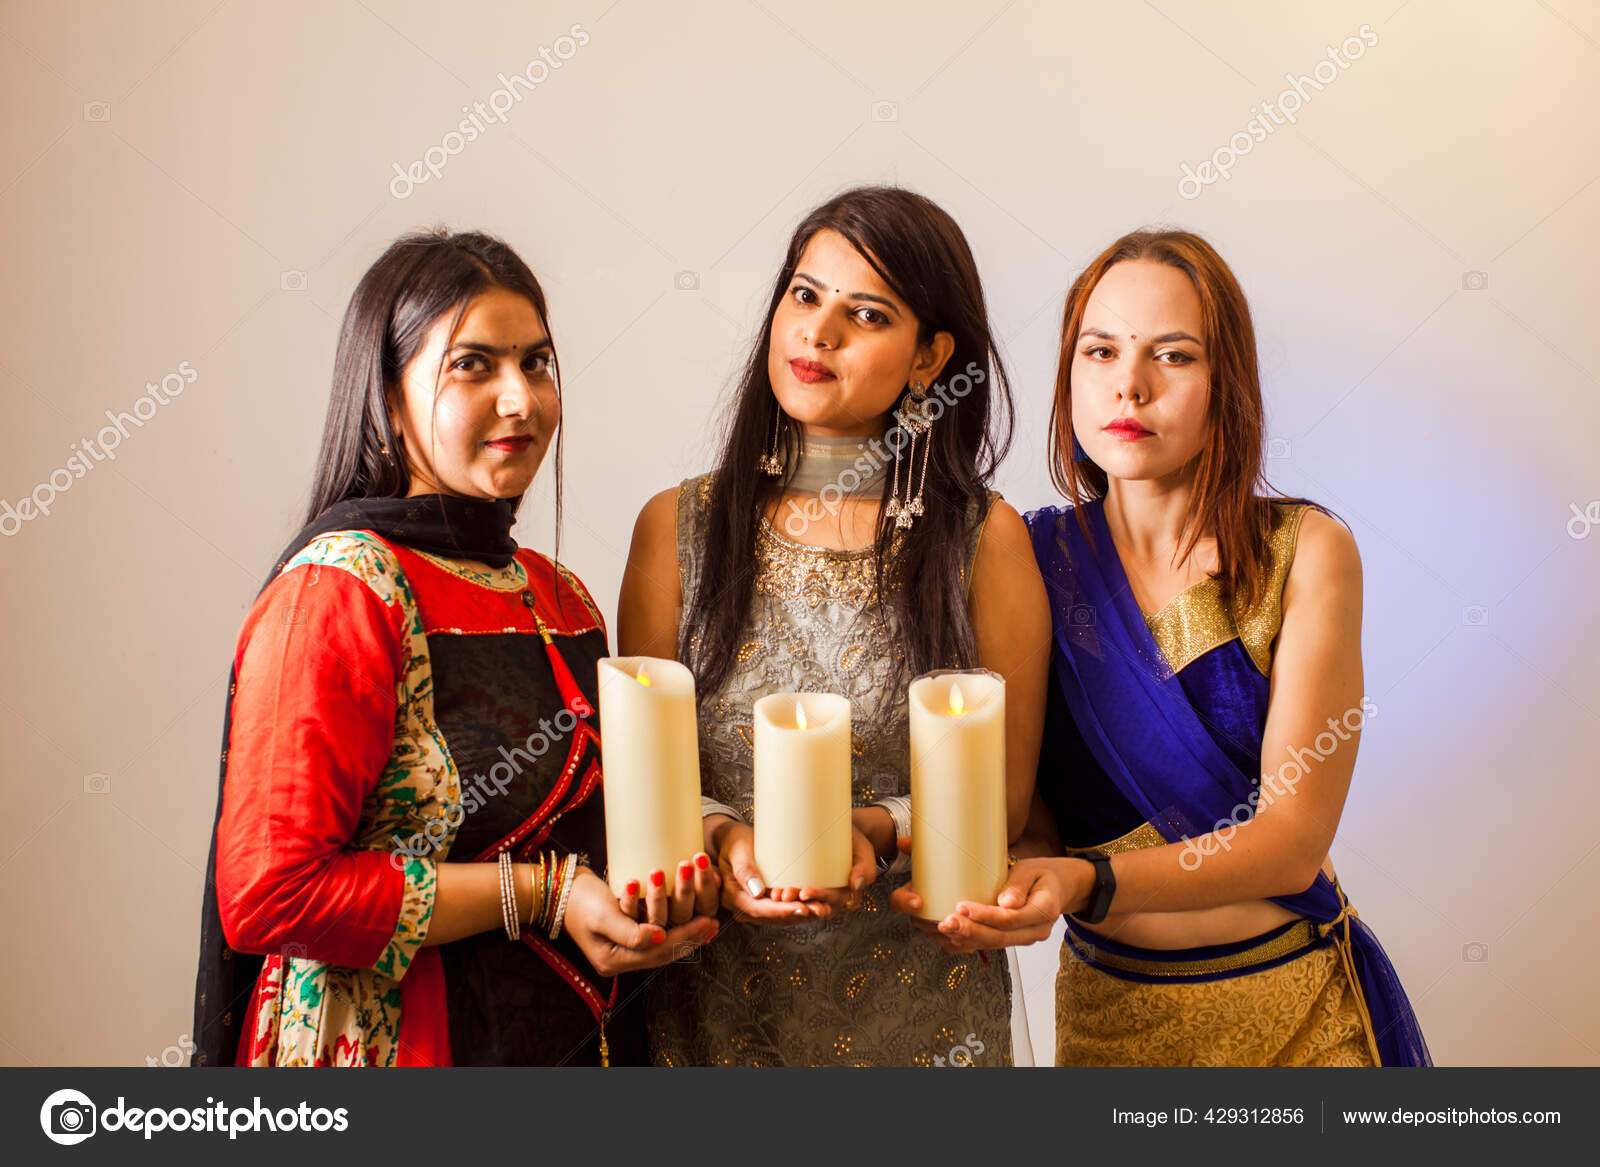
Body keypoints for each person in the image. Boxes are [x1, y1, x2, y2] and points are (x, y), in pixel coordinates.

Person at [892, 229, 1431, 1067]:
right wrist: (1003, 875)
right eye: (1099, 351)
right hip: (1111, 1021)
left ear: (1229, 385)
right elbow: (1027, 815)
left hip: (1298, 1016)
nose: (1128, 386)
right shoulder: (1025, 560)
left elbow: (1293, 836)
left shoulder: (1304, 551)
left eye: (1172, 357)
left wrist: (1091, 880)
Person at [191, 229, 717, 1068]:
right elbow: (271, 892)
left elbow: (601, 835)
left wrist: (661, 891)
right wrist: (538, 893)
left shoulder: (560, 595)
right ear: (389, 395)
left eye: (537, 363)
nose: (522, 399)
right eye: (474, 365)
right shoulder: (342, 589)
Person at [620, 186, 1050, 1066]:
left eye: (866, 313)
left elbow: (1005, 804)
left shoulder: (983, 541)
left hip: (918, 1008)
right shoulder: (679, 526)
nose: (818, 332)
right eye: (804, 295)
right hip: (710, 1000)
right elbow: (639, 778)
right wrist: (724, 839)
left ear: (930, 356)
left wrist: (875, 828)